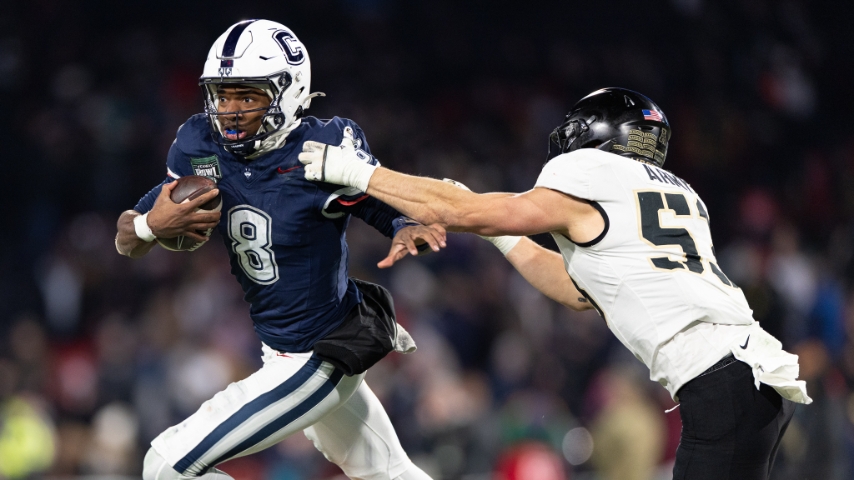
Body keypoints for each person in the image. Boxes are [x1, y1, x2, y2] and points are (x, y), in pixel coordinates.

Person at [298, 87, 813, 480]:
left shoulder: (592, 169)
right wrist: (499, 237)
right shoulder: (677, 192)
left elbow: (463, 211)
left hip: (719, 383)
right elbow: (578, 291)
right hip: (754, 378)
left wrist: (357, 171)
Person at [115, 19, 439, 480]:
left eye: (247, 97)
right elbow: (125, 239)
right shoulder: (199, 146)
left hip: (319, 354)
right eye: (222, 96)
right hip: (281, 349)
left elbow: (378, 200)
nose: (230, 111)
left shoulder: (318, 148)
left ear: (289, 93)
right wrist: (149, 225)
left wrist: (404, 223)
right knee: (389, 473)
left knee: (166, 466)